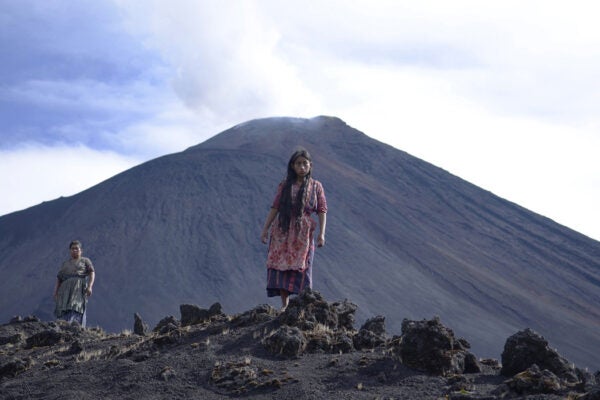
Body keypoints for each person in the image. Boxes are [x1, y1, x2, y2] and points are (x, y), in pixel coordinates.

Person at [261, 147, 327, 311]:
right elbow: (275, 207)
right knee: (281, 265)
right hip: (282, 230)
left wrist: (322, 234)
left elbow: (322, 210)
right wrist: (265, 229)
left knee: (305, 265)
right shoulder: (285, 185)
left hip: (304, 233)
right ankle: (285, 304)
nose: (302, 167)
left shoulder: (316, 186)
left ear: (310, 165)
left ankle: (306, 305)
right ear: (292, 166)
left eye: (305, 163)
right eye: (298, 164)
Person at [53, 240, 95, 327]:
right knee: (64, 307)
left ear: (81, 250)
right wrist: (56, 292)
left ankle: (75, 326)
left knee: (76, 305)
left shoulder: (85, 261)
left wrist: (90, 286)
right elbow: (59, 278)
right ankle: (63, 326)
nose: (75, 250)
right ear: (70, 250)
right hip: (65, 290)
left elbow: (92, 272)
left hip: (78, 288)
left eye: (77, 248)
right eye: (72, 249)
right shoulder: (65, 264)